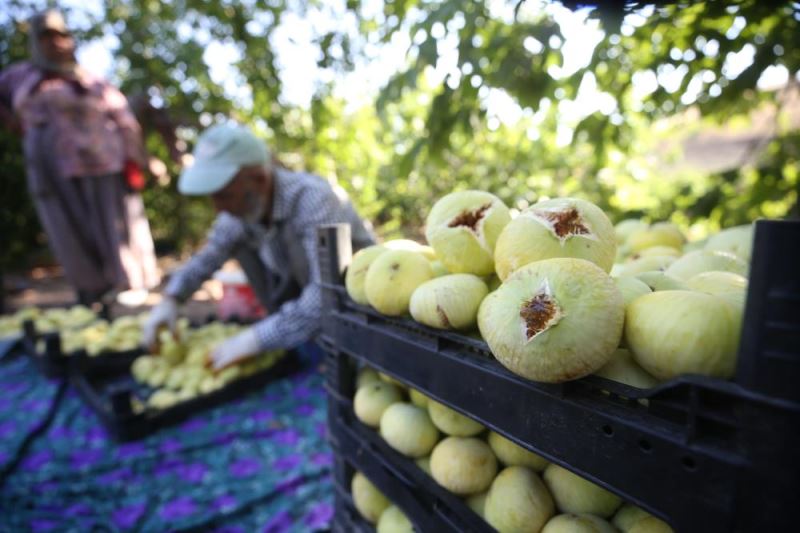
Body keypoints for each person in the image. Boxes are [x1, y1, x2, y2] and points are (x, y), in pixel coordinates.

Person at [143, 123, 375, 369]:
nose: (218, 207)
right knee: (238, 244)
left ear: (259, 179)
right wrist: (171, 298)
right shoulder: (241, 212)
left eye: (223, 195)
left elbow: (327, 293)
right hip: (302, 317)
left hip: (356, 320)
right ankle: (297, 340)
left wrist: (256, 338)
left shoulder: (313, 199)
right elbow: (209, 256)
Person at [0, 10, 160, 305]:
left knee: (114, 224)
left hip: (103, 160)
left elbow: (124, 119)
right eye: (46, 37)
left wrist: (142, 158)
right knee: (66, 225)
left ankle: (127, 284)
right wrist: (11, 120)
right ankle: (91, 289)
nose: (54, 43)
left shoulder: (92, 81)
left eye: (60, 36)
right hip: (51, 167)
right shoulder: (20, 77)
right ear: (35, 42)